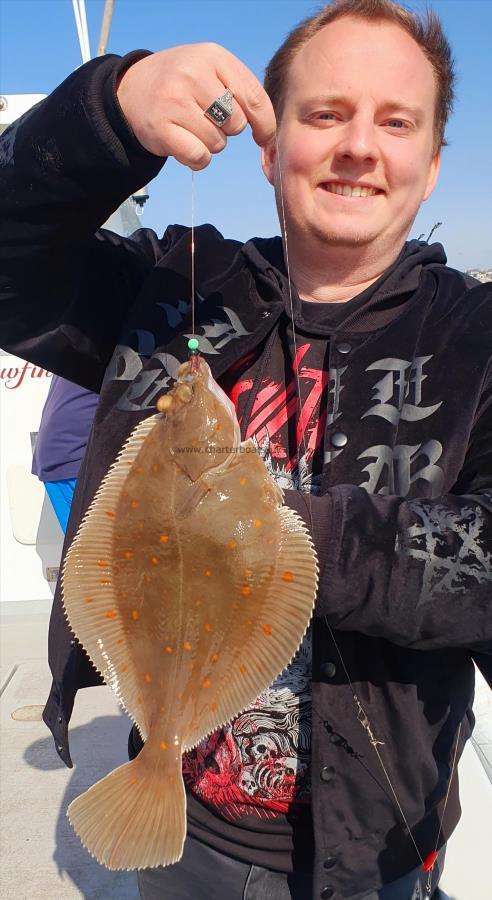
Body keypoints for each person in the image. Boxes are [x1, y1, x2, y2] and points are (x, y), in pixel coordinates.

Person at [0, 1, 490, 898]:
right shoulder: (169, 289)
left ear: (430, 169)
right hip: (194, 838)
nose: (358, 146)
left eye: (396, 121)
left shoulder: (480, 338)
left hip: (379, 848)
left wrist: (268, 531)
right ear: (267, 147)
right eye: (325, 113)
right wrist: (106, 113)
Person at [32, 376, 99, 533]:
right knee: (99, 550)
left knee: (84, 550)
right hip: (76, 454)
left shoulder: (86, 351)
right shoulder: (129, 352)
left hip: (56, 451)